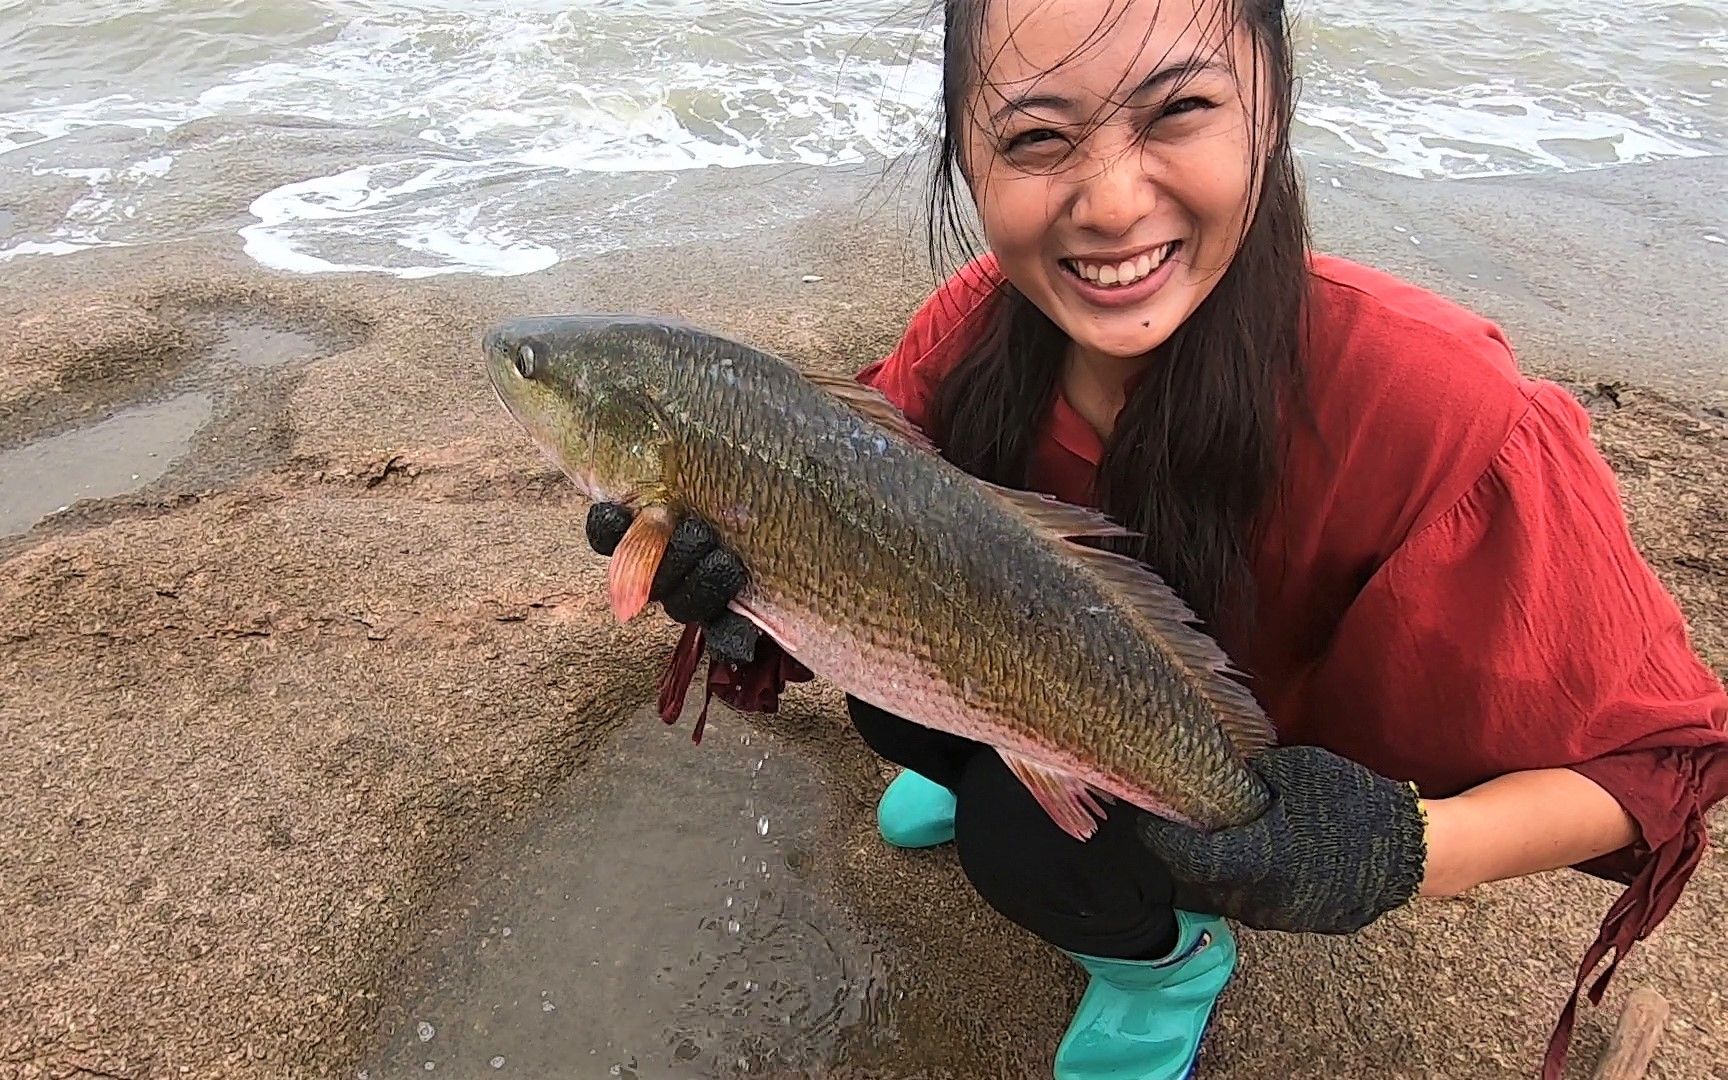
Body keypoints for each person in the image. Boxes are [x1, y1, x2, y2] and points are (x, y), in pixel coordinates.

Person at [583, 0, 1728, 1076]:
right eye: (1037, 136)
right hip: (1036, 687)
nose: (1115, 203)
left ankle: (1165, 965)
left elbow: (1661, 759)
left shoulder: (1438, 404)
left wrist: (1406, 846)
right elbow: (836, 533)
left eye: (1179, 111)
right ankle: (989, 752)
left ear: (1271, 104)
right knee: (889, 704)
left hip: (1236, 773)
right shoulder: (967, 335)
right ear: (964, 158)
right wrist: (730, 577)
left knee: (1012, 837)